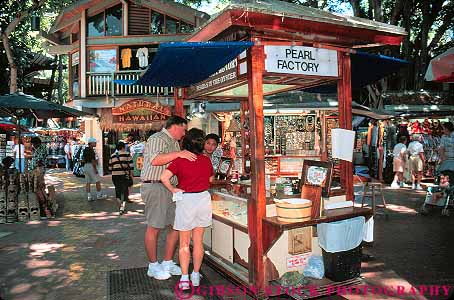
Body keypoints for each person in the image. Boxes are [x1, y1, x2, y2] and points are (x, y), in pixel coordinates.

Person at [140, 116, 196, 280]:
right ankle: (153, 265)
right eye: (183, 129)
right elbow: (155, 160)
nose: (184, 133)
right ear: (175, 126)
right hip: (156, 186)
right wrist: (179, 153)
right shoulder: (158, 138)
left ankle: (167, 262)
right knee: (154, 226)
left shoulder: (173, 142)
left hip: (170, 188)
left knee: (175, 225)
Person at [160, 128, 214, 290]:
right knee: (198, 241)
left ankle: (184, 278)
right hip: (203, 199)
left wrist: (173, 189)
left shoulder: (180, 161)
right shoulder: (206, 160)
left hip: (187, 200)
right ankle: (196, 274)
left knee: (184, 242)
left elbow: (164, 177)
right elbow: (210, 178)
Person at [109, 141, 133, 214]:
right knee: (125, 191)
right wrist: (131, 176)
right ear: (123, 147)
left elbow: (110, 168)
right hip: (124, 175)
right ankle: (123, 207)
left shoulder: (112, 155)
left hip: (115, 176)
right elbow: (131, 166)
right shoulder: (127, 154)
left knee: (118, 190)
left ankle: (120, 207)